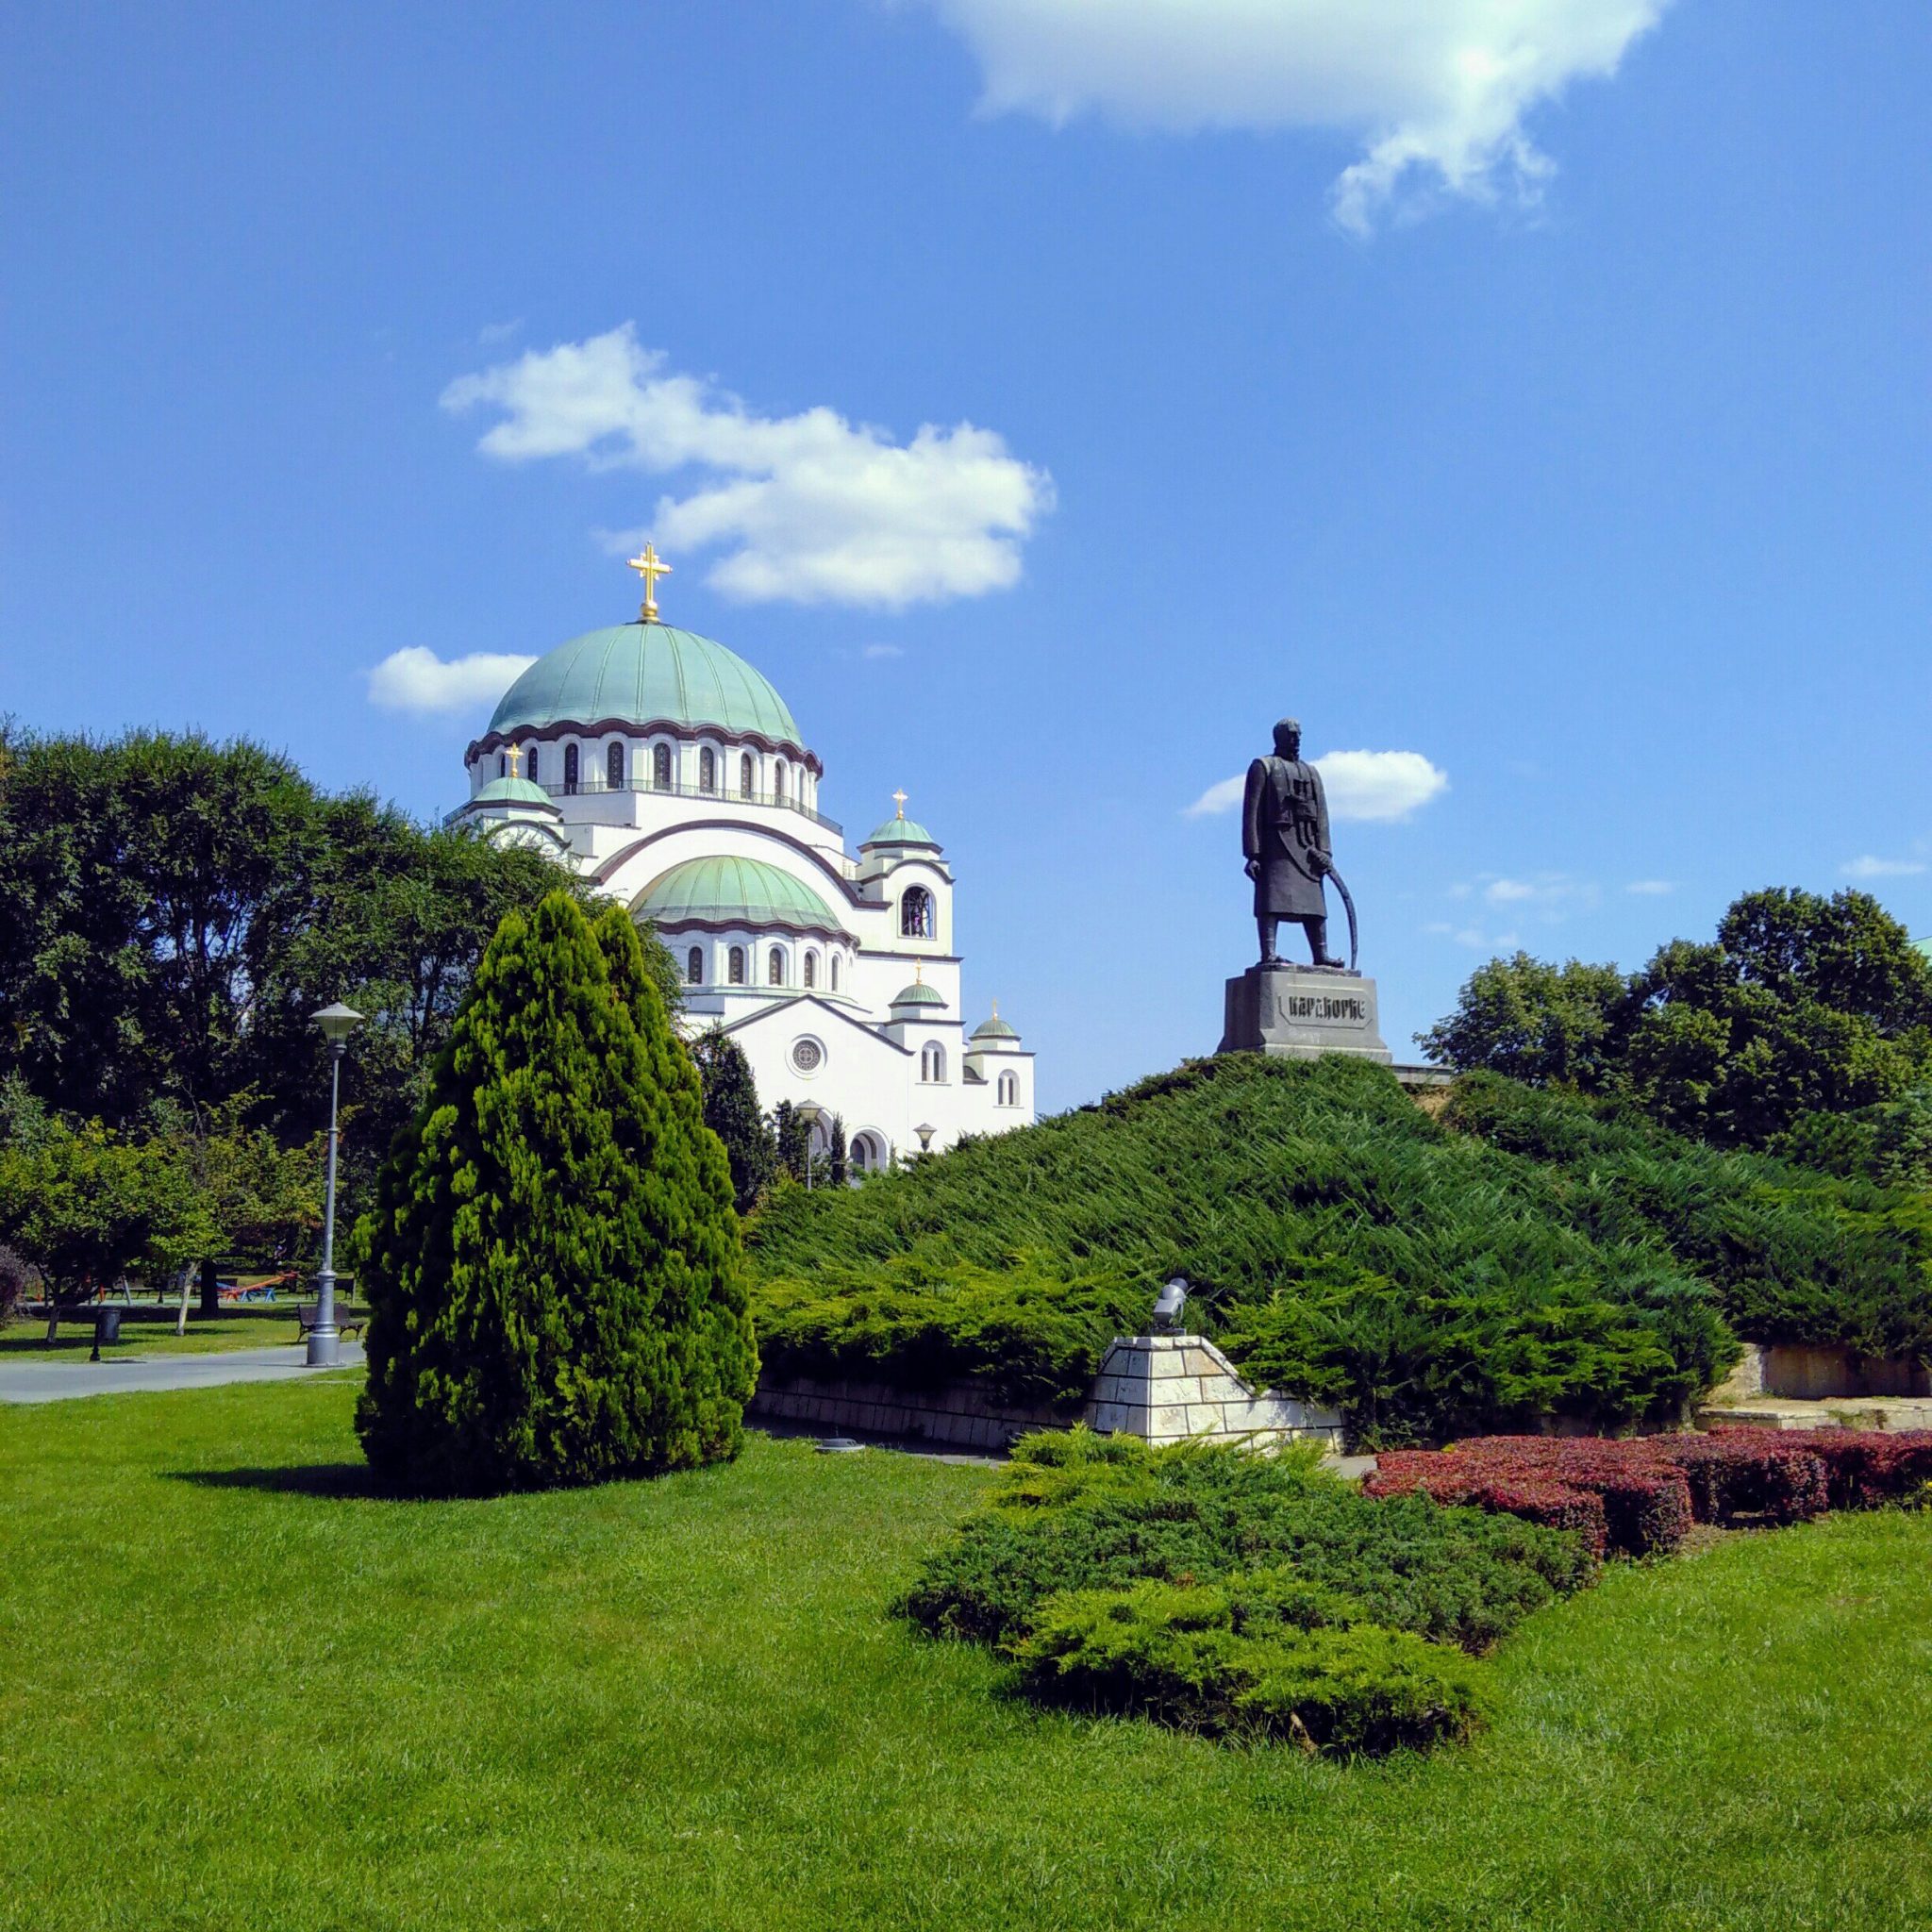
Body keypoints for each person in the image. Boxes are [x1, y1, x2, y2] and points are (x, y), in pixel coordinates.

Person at [1241, 716, 1341, 969]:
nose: (1296, 739)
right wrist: (1252, 854)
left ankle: (1321, 954)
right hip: (1276, 846)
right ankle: (1269, 953)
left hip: (1307, 848)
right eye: (1291, 735)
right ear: (1279, 738)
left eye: (1298, 734)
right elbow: (1251, 812)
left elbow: (1323, 815)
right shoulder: (1263, 766)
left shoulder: (1311, 772)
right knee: (1271, 899)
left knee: (1315, 903)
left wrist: (1325, 851)